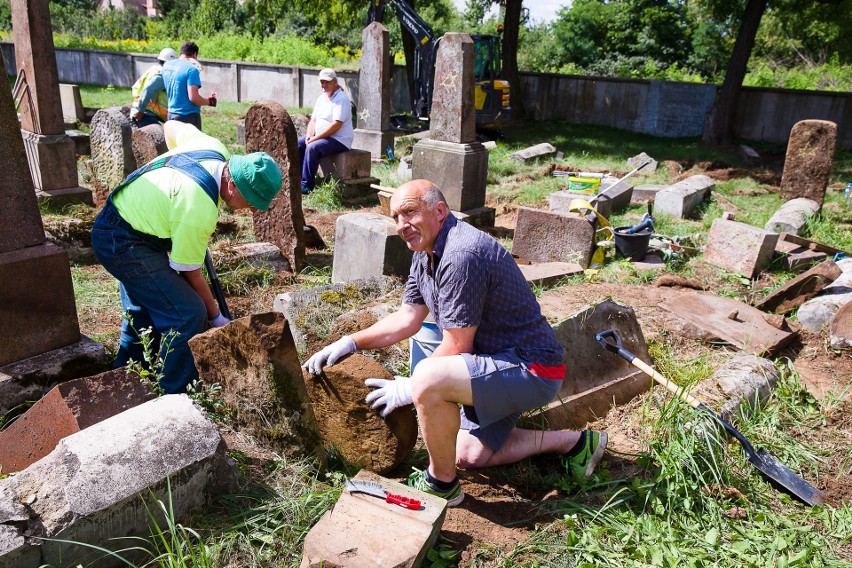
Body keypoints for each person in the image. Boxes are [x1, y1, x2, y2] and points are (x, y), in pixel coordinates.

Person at [304, 179, 608, 506]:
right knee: (466, 454)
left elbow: (457, 346)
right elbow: (408, 317)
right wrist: (350, 343)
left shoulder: (462, 253)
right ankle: (574, 444)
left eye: (409, 212)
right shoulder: (425, 252)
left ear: (439, 211)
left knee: (429, 379)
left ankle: (440, 484)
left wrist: (412, 386)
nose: (401, 225)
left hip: (532, 368)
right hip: (495, 364)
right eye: (395, 217)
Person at [91, 121, 282, 394]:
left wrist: (169, 189)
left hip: (129, 221)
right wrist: (215, 317)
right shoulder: (199, 207)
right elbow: (189, 272)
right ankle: (175, 395)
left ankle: (125, 385)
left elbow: (171, 127)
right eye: (250, 201)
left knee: (143, 313)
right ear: (231, 183)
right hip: (122, 241)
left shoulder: (212, 147)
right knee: (187, 314)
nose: (251, 209)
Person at [298, 68, 353, 195]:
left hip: (339, 139)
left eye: (327, 82)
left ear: (335, 82)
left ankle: (307, 186)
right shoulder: (322, 98)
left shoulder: (342, 99)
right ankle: (298, 179)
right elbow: (313, 120)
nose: (324, 85)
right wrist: (309, 135)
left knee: (313, 147)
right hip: (322, 137)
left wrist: (315, 139)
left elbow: (336, 125)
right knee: (299, 143)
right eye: (321, 82)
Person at [161, 41, 217, 130]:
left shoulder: (167, 65)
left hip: (170, 115)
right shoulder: (191, 70)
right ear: (195, 55)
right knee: (192, 144)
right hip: (188, 117)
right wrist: (210, 101)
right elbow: (194, 98)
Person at [130, 47, 178, 128]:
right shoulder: (162, 75)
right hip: (144, 113)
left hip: (148, 111)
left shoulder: (154, 69)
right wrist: (140, 111)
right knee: (159, 138)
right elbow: (147, 90)